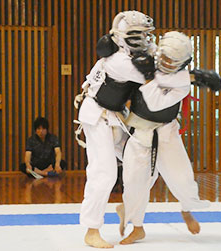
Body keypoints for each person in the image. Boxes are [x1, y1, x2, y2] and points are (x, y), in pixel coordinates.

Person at [116, 31, 220, 244]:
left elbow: (155, 102)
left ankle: (186, 209)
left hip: (166, 133)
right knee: (134, 181)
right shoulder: (150, 58)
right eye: (163, 58)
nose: (165, 63)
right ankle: (137, 227)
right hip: (139, 131)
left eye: (172, 61)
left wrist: (148, 76)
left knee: (182, 178)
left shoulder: (182, 82)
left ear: (183, 63)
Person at [76, 10, 155, 248]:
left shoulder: (133, 55)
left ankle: (137, 224)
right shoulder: (119, 61)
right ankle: (91, 229)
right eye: (137, 35)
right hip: (97, 115)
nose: (143, 40)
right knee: (105, 172)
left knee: (143, 168)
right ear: (122, 37)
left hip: (118, 115)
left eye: (145, 34)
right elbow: (155, 80)